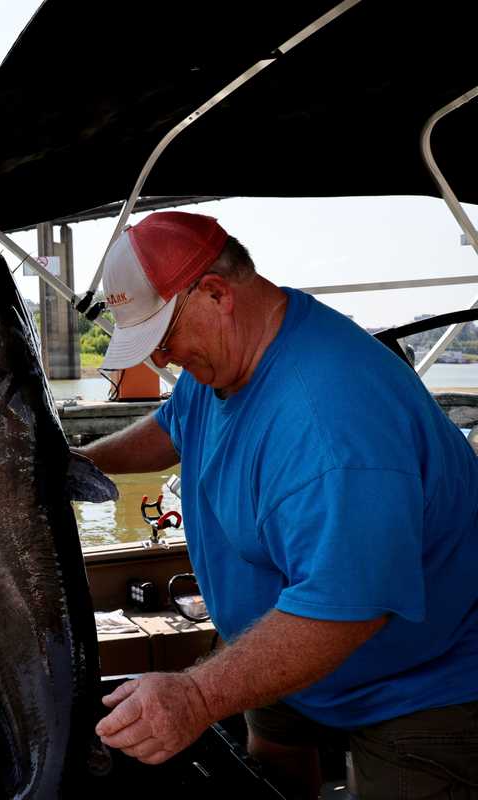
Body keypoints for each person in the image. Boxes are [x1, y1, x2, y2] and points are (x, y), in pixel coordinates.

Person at [81, 211, 478, 799]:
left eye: (163, 339)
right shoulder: (229, 351)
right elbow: (174, 425)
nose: (161, 361)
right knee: (272, 772)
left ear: (216, 292)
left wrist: (196, 695)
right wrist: (77, 465)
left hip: (417, 684)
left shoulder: (333, 425)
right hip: (280, 652)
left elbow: (344, 610)